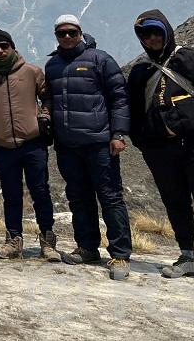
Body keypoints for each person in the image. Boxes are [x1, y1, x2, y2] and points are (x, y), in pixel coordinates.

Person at [127, 9, 194, 294]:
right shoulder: (140, 71)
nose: (151, 39)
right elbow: (133, 111)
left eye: (156, 32)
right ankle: (187, 256)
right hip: (161, 151)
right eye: (145, 35)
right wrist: (144, 144)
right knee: (176, 204)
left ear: (166, 31)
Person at [45, 15, 132, 280]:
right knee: (78, 198)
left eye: (71, 33)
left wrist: (118, 133)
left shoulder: (100, 59)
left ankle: (119, 254)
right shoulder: (53, 65)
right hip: (68, 146)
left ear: (80, 32)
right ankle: (87, 248)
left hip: (99, 143)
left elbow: (119, 98)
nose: (67, 37)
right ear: (56, 36)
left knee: (110, 197)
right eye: (62, 34)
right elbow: (50, 99)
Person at [0, 29, 59, 261]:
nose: (0, 51)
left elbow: (47, 97)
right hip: (3, 147)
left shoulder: (31, 71)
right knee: (11, 195)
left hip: (32, 143)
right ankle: (13, 241)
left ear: (12, 47)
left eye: (4, 46)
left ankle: (47, 241)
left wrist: (43, 118)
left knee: (40, 192)